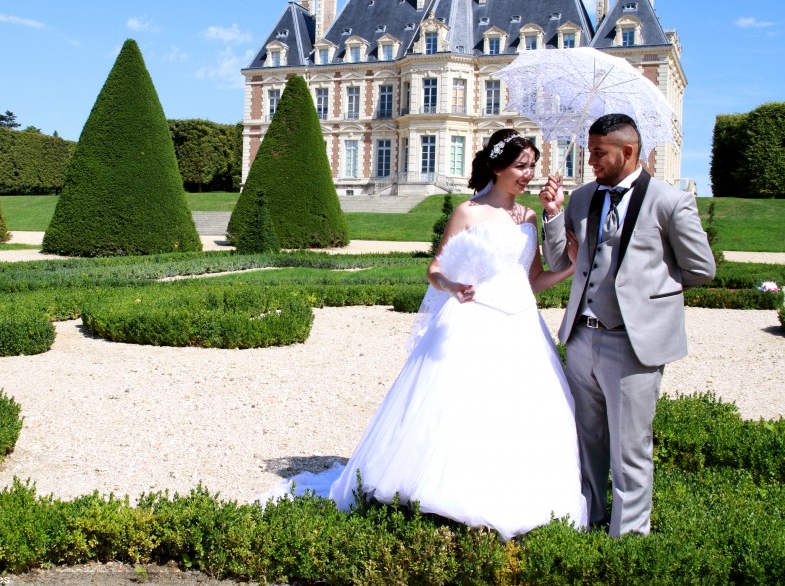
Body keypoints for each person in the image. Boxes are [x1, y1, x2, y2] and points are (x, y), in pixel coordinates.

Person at [266, 130, 587, 540]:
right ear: (497, 167)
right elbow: (435, 269)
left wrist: (570, 268)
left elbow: (533, 280)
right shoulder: (468, 212)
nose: (528, 174)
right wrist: (452, 286)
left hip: (521, 325)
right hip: (473, 319)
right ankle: (447, 493)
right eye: (521, 166)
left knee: (518, 411)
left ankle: (512, 493)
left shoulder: (527, 217)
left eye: (532, 166)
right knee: (460, 409)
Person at [539, 113, 716, 537]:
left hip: (632, 344)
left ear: (628, 151)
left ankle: (628, 540)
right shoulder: (581, 198)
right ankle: (588, 521)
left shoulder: (670, 201)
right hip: (580, 338)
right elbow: (559, 261)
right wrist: (552, 214)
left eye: (599, 153)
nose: (591, 161)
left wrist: (647, 289)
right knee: (585, 441)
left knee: (629, 449)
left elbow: (701, 269)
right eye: (589, 151)